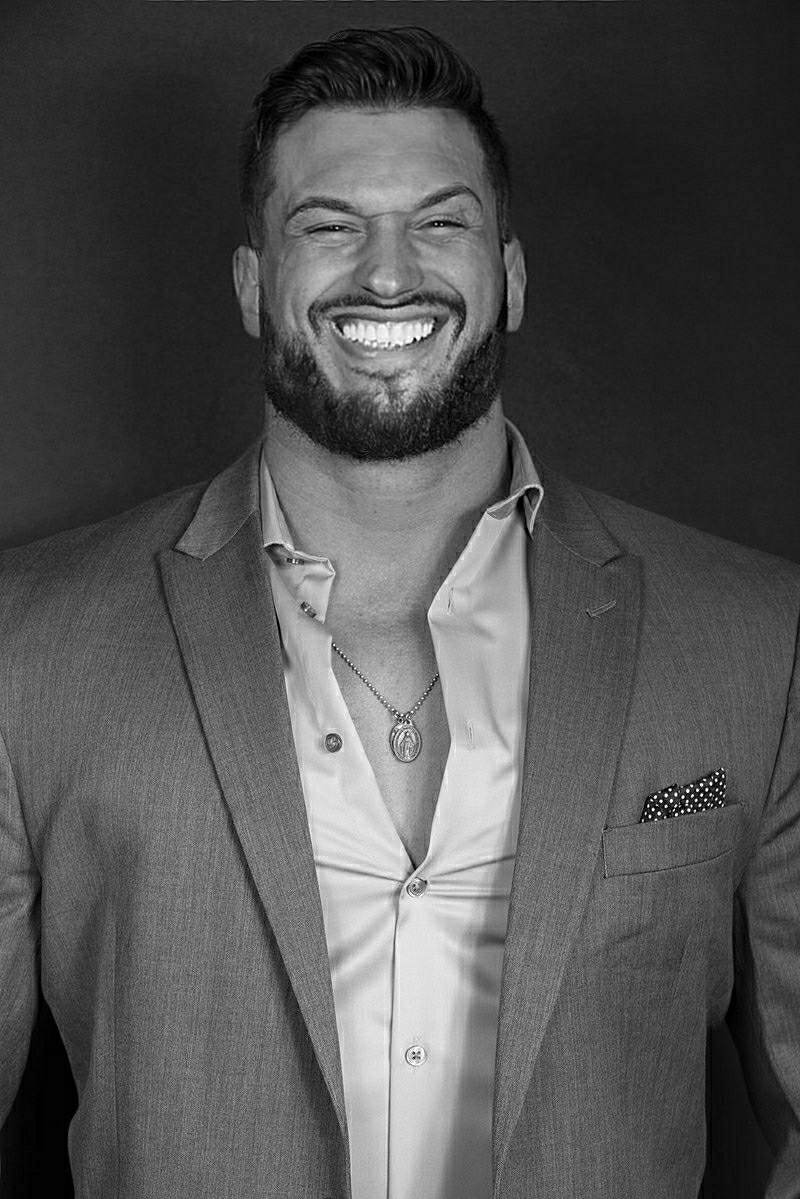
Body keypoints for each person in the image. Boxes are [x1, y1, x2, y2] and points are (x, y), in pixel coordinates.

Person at [1, 25, 798, 1199]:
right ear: (252, 285)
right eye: (329, 225)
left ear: (508, 276)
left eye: (437, 223)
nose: (386, 273)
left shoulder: (757, 644)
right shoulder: (25, 651)